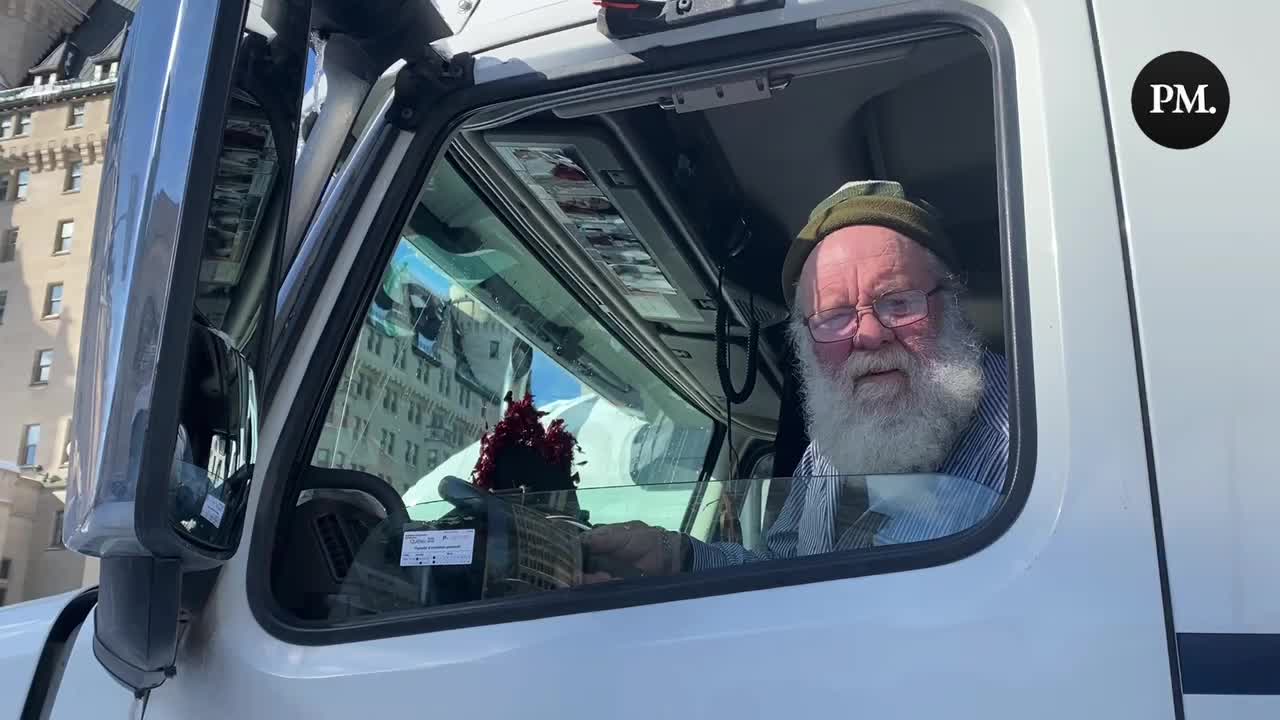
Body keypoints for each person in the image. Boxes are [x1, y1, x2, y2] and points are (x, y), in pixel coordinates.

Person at [581, 180, 1010, 581]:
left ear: (951, 305)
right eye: (835, 317)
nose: (868, 334)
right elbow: (783, 569)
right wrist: (679, 558)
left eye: (898, 302)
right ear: (805, 342)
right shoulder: (827, 449)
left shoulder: (1037, 438)